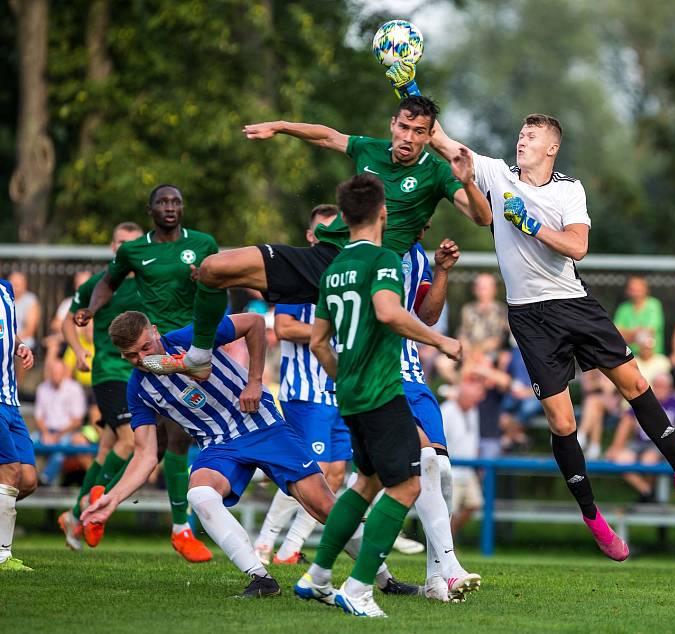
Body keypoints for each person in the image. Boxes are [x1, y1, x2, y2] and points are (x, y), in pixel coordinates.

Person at [393, 61, 675, 561]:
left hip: (574, 303)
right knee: (562, 423)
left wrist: (530, 224)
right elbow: (442, 140)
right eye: (520, 134)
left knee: (637, 385)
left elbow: (577, 247)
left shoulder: (568, 190)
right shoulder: (494, 174)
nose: (521, 141)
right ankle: (594, 518)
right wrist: (408, 85)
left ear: (551, 147)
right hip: (528, 316)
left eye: (530, 136)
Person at [139, 96, 491, 378]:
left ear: (430, 137)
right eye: (404, 128)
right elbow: (327, 135)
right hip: (322, 258)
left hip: (364, 269)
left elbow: (482, 216)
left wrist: (468, 182)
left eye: (419, 132)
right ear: (393, 125)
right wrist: (279, 126)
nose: (409, 138)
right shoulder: (370, 149)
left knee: (375, 335)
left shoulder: (438, 173)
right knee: (212, 269)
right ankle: (199, 357)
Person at [82, 309, 409, 597]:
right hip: (218, 444)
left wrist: (254, 381)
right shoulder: (138, 387)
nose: (141, 359)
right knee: (200, 493)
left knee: (324, 506)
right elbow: (145, 455)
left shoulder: (192, 338)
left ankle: (384, 580)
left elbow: (254, 323)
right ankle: (260, 577)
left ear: (154, 331)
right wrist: (112, 498)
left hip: (261, 424)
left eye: (145, 348)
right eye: (132, 356)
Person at [292, 174, 462, 618]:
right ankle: (360, 587)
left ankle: (318, 574)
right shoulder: (383, 259)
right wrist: (442, 343)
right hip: (383, 389)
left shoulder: (332, 269)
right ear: (384, 213)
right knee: (406, 485)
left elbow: (317, 341)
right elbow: (389, 312)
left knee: (365, 483)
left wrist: (343, 375)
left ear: (344, 218)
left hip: (348, 391)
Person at [74, 184, 217, 562]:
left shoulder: (203, 243)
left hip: (192, 349)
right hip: (152, 352)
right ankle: (175, 526)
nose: (170, 207)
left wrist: (205, 278)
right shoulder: (135, 251)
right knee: (157, 441)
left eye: (176, 202)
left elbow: (221, 283)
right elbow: (107, 282)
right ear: (150, 209)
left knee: (160, 443)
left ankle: (92, 506)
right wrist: (90, 309)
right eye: (163, 202)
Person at [253, 204, 351, 566]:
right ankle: (264, 543)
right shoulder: (297, 275)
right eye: (323, 231)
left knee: (337, 473)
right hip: (307, 392)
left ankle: (290, 549)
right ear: (311, 236)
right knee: (311, 470)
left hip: (341, 389)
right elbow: (284, 328)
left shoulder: (347, 274)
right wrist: (331, 331)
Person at [399, 233, 480, 602]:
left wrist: (441, 271)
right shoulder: (369, 249)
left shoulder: (416, 254)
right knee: (418, 466)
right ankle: (449, 567)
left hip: (414, 378)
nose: (427, 219)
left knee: (441, 470)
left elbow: (427, 315)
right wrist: (441, 343)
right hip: (381, 377)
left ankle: (435, 579)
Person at [57, 222, 145, 551]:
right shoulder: (102, 283)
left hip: (140, 376)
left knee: (107, 449)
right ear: (112, 247)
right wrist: (79, 351)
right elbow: (70, 317)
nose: (125, 249)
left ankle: (74, 517)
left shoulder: (150, 283)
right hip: (109, 373)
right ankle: (92, 509)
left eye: (132, 244)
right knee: (129, 440)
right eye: (121, 243)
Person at [605, 374, 675, 502]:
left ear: (670, 388)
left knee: (648, 461)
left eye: (663, 387)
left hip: (661, 444)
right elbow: (626, 422)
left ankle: (647, 495)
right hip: (638, 442)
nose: (660, 390)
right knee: (620, 460)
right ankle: (647, 491)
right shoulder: (643, 400)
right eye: (657, 386)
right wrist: (616, 446)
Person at [0, 277, 37, 571]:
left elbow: (10, 334)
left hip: (11, 401)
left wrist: (21, 347)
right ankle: (3, 556)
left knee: (26, 479)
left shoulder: (6, 290)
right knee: (10, 472)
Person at [441, 377, 484, 540]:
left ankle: (448, 538)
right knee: (447, 513)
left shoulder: (473, 410)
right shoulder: (446, 411)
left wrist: (477, 465)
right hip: (451, 472)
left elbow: (474, 439)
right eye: (474, 397)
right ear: (463, 396)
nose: (478, 400)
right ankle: (444, 546)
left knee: (474, 505)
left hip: (468, 470)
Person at [33, 358, 88, 484]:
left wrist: (57, 435)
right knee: (26, 444)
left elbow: (77, 421)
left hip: (67, 432)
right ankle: (28, 479)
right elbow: (39, 416)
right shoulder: (42, 388)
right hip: (45, 431)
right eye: (53, 372)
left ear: (64, 373)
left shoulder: (74, 389)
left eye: (58, 372)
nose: (55, 376)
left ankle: (45, 481)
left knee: (59, 451)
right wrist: (47, 434)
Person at [457, 273, 508, 355]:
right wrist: (466, 348)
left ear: (494, 289)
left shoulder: (501, 310)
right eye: (478, 287)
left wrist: (478, 351)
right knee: (443, 362)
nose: (481, 290)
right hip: (468, 353)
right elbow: (462, 334)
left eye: (484, 288)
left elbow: (500, 339)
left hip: (493, 354)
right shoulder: (467, 309)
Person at [613, 275, 665, 355]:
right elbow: (616, 334)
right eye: (633, 290)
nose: (636, 293)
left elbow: (650, 331)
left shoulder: (654, 304)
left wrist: (627, 334)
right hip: (628, 356)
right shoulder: (623, 308)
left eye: (638, 290)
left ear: (646, 290)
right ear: (628, 291)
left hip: (652, 357)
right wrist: (637, 333)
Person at [8, 271, 40, 351]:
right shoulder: (2, 298)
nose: (14, 288)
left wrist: (10, 339)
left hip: (23, 340)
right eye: (12, 284)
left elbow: (30, 330)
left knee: (21, 352)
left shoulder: (31, 300)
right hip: (4, 338)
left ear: (24, 285)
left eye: (17, 285)